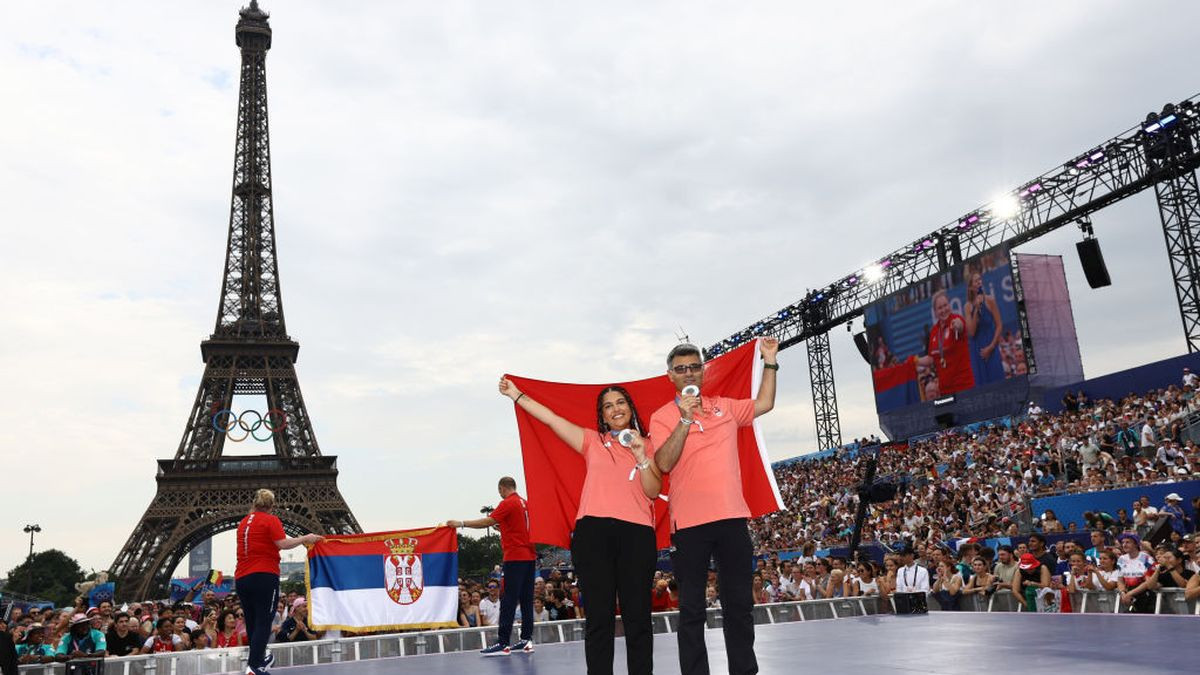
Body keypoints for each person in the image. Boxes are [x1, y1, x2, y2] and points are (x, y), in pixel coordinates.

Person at [494, 377, 660, 674]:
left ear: (630, 408)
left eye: (620, 402)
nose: (615, 409)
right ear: (603, 415)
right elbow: (552, 420)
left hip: (637, 534)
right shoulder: (592, 441)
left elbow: (652, 490)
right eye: (608, 406)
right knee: (599, 618)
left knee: (638, 618)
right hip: (593, 534)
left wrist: (640, 456)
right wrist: (517, 396)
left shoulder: (649, 445)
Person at [650, 339, 778, 675]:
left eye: (694, 366)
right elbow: (663, 463)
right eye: (681, 369)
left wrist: (770, 361)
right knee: (692, 609)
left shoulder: (725, 407)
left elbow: (765, 402)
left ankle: (744, 670)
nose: (689, 372)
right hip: (690, 525)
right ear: (670, 376)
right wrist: (684, 419)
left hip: (732, 518)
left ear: (703, 371)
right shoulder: (662, 416)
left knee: (739, 604)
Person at [444, 477, 537, 656]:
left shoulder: (507, 503)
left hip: (514, 556)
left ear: (502, 488)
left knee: (508, 600)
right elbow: (521, 528)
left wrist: (461, 523)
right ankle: (526, 639)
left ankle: (503, 642)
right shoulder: (524, 503)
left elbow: (487, 522)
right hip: (529, 556)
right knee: (526, 600)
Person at [234, 489, 323, 675]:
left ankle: (256, 660)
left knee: (252, 621)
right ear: (272, 505)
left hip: (242, 577)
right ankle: (255, 665)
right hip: (264, 575)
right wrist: (305, 538)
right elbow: (282, 543)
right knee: (264, 620)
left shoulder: (243, 523)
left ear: (254, 503)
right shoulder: (270, 520)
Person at [919, 290, 975, 396]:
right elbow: (931, 358)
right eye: (939, 308)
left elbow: (961, 326)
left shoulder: (957, 319)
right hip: (945, 390)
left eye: (945, 305)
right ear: (935, 312)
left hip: (963, 386)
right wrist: (915, 361)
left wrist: (958, 326)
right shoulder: (934, 331)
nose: (943, 310)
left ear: (949, 305)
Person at [964, 270, 1004, 384]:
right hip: (977, 352)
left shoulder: (990, 300)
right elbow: (971, 332)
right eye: (976, 281)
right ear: (971, 287)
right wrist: (976, 309)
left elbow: (999, 325)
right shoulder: (967, 307)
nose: (979, 282)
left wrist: (991, 347)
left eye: (980, 280)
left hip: (991, 348)